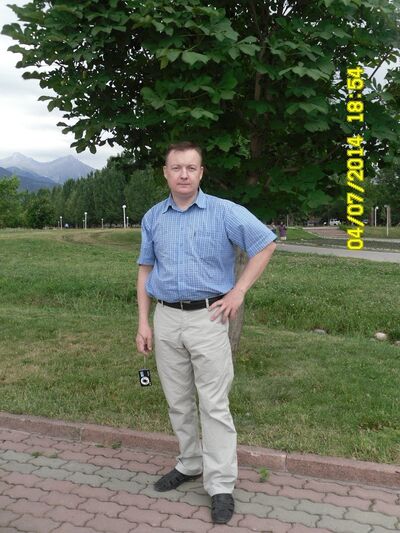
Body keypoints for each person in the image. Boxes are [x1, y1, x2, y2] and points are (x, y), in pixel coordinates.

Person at [136, 141, 277, 524]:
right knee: (178, 401)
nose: (183, 174)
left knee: (214, 404)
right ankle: (189, 463)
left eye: (191, 168)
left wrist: (239, 291)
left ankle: (220, 485)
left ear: (201, 173)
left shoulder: (224, 212)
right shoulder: (153, 217)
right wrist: (144, 322)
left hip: (208, 318)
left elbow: (265, 244)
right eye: (176, 167)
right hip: (166, 318)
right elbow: (145, 269)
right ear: (165, 173)